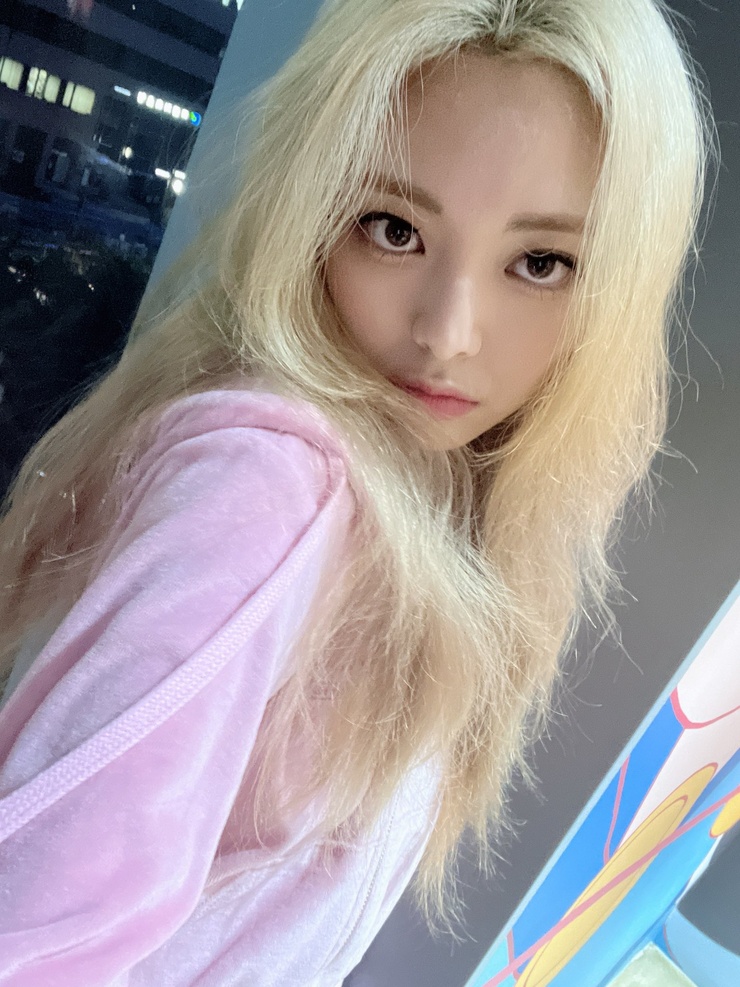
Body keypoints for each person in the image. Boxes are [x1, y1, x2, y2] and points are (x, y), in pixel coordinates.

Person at [0, 0, 710, 983]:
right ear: (316, 216)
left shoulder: (440, 504)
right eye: (393, 228)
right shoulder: (269, 492)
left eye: (539, 262)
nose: (447, 331)